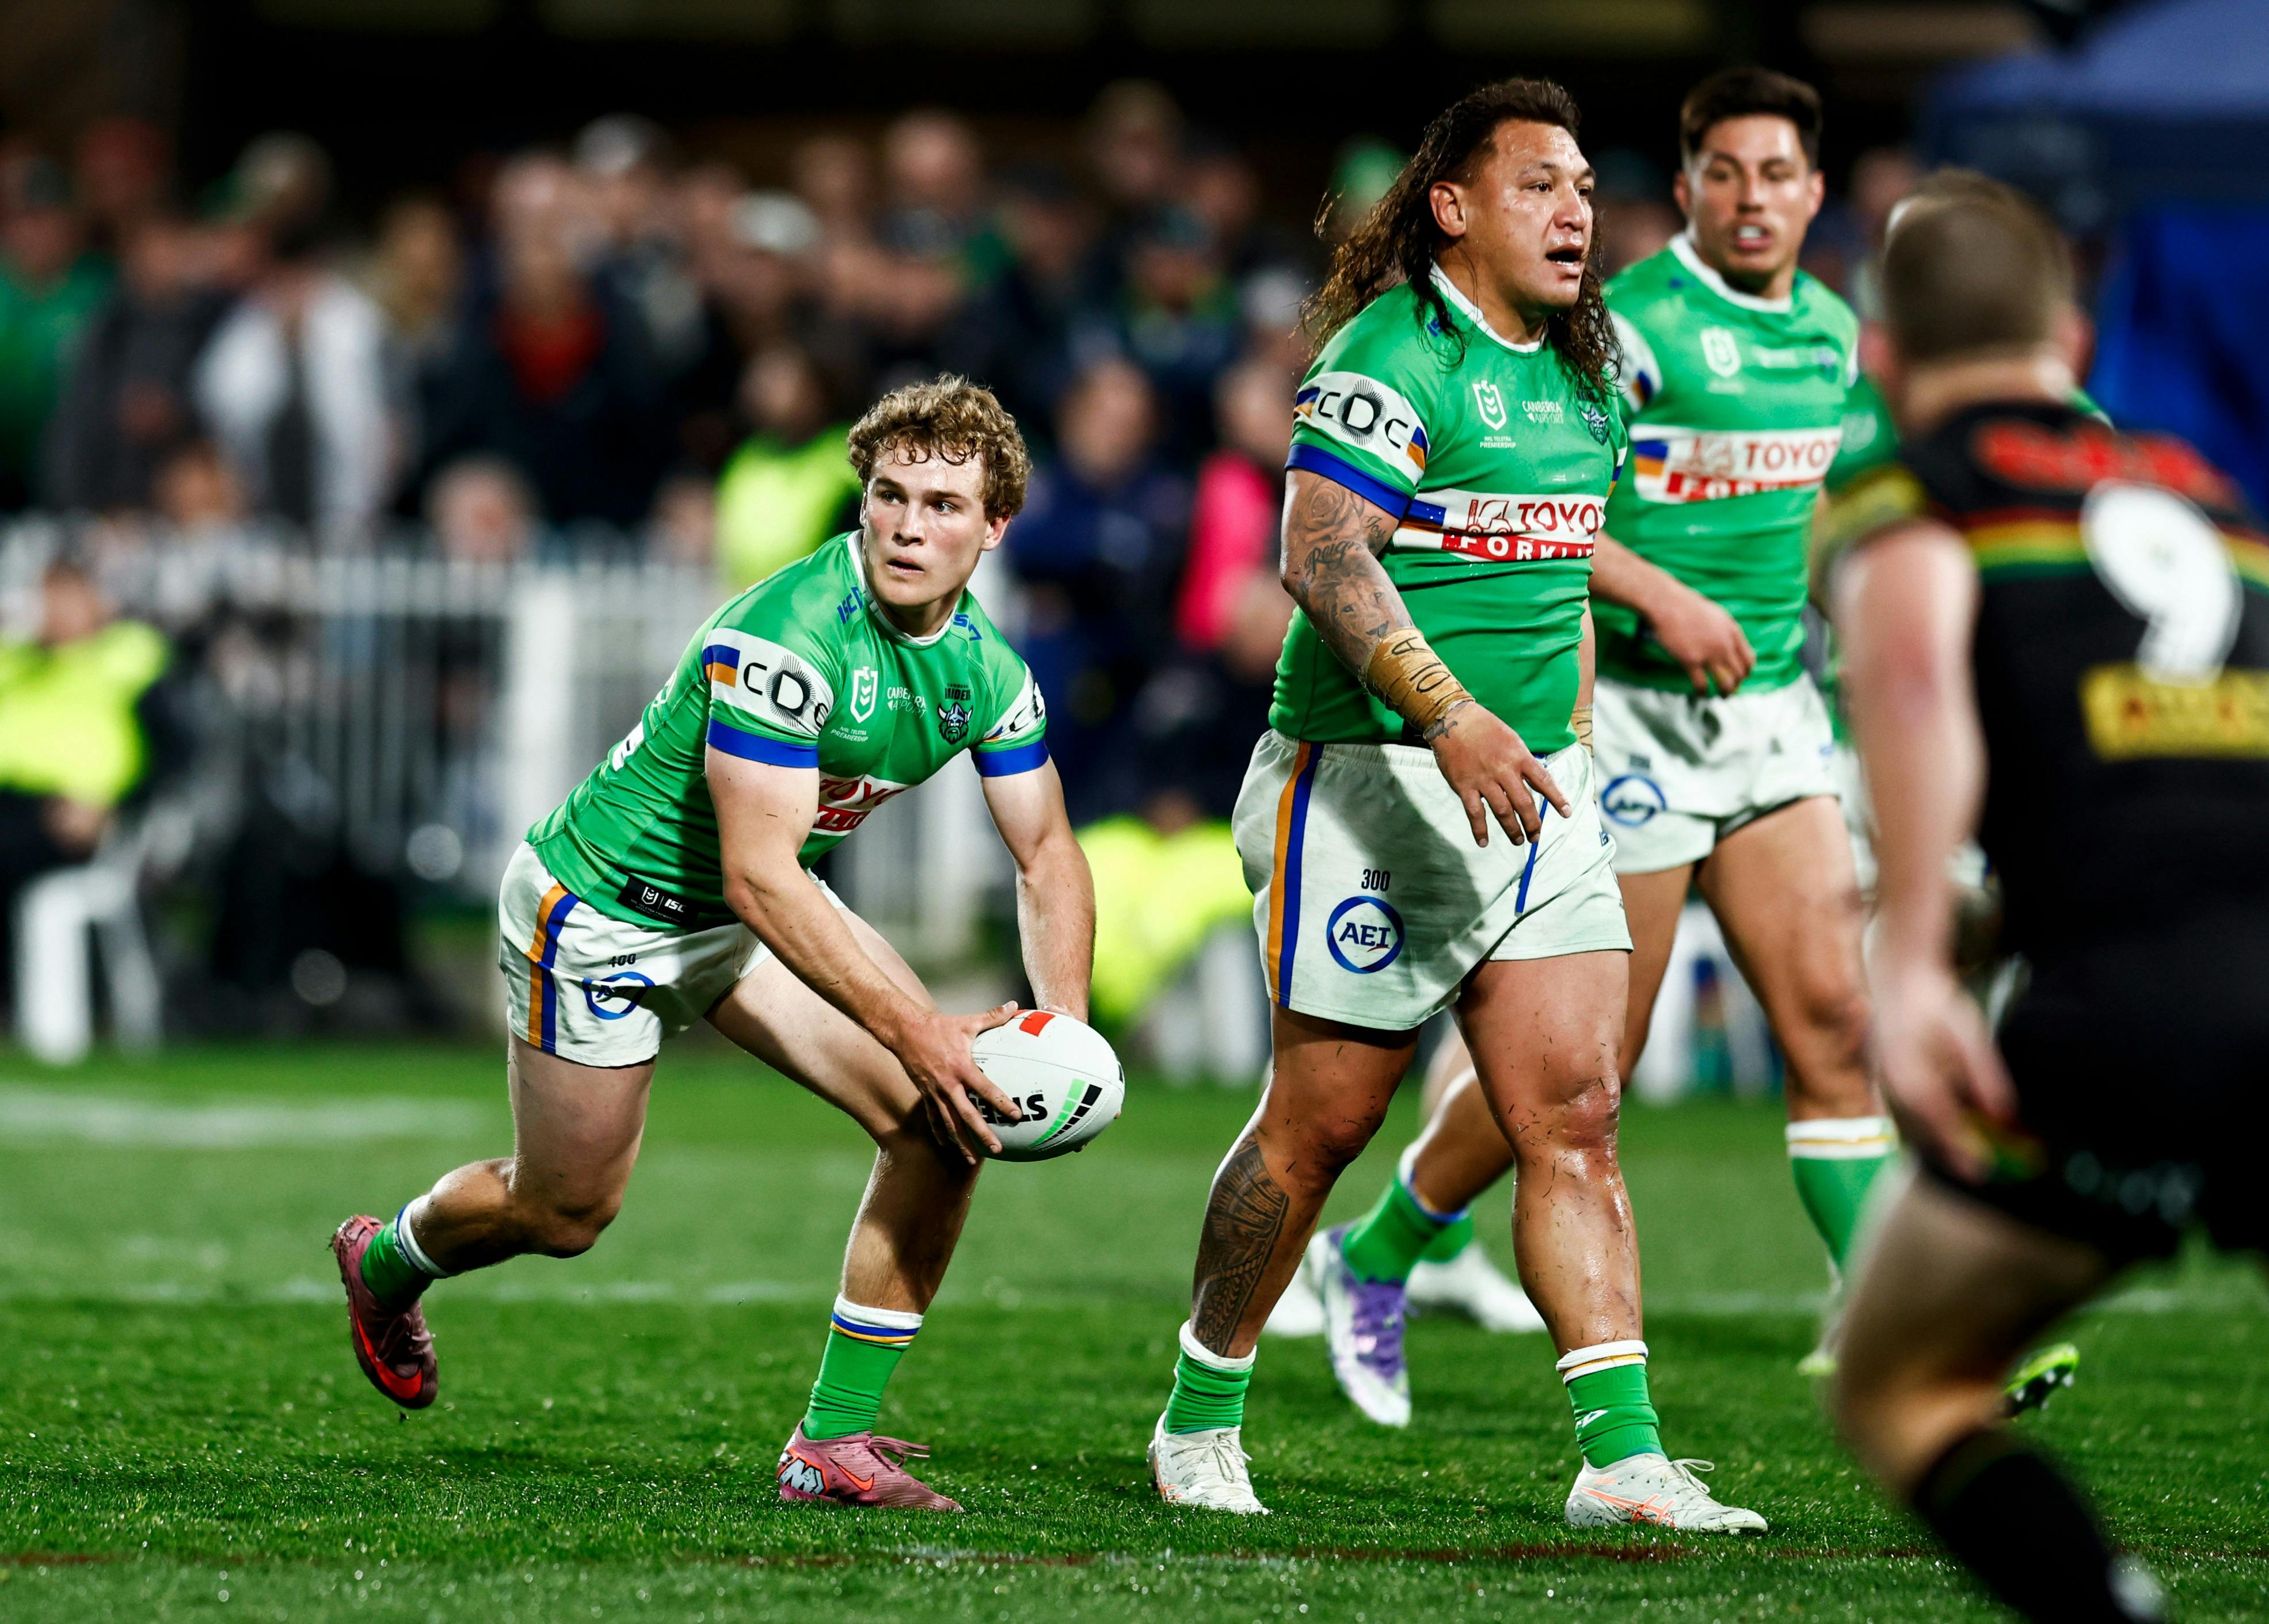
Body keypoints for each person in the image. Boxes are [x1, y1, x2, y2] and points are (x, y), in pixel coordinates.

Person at [1145, 78, 1763, 1534]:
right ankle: (1201, 1410)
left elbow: (1563, 558)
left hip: (1535, 786)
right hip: (1364, 783)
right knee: (1324, 1124)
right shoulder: (1391, 351)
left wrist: (1581, 740)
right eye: (1541, 185)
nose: (1575, 214)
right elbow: (1320, 553)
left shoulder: (1588, 367)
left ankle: (1620, 1458)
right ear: (1454, 205)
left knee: (1580, 1110)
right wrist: (1453, 714)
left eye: (1587, 191)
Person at [330, 378, 1095, 1513]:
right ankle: (389, 1258)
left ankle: (830, 1443)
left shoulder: (988, 667)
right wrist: (922, 1027)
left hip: (747, 919)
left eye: (943, 503)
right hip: (601, 916)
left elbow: (1048, 852)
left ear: (994, 529)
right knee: (567, 1211)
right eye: (890, 494)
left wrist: (1063, 1026)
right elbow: (759, 871)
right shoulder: (781, 638)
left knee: (945, 1124)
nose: (907, 524)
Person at [1307, 71, 1889, 1419]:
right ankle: (1381, 1251)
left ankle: (1893, 1318)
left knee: (1835, 1019)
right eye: (1727, 173)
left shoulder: (1833, 336)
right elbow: (1561, 522)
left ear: (1816, 192)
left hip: (1774, 713)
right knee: (1579, 1070)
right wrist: (1660, 604)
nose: (1755, 198)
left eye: (1781, 174)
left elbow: (1807, 511)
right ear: (1687, 190)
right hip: (1624, 718)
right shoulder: (1628, 332)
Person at [1826, 178, 2266, 1624]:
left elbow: (1914, 697)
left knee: (1903, 1381)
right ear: (2070, 341)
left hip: (2138, 1011)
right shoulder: (2210, 497)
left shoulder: (1920, 501)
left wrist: (1912, 968)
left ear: (1883, 361)